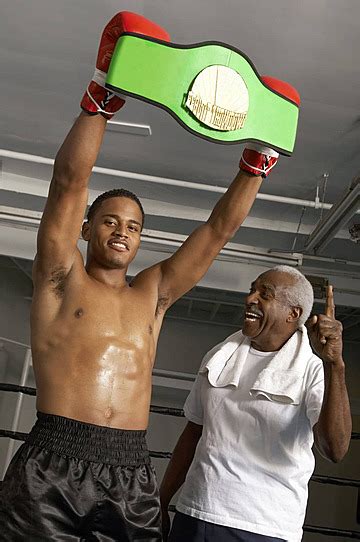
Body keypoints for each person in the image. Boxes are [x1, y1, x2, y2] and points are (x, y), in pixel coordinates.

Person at [0, 10, 283, 542]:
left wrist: (255, 164)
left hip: (129, 470)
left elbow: (216, 232)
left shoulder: (152, 294)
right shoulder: (60, 278)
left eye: (133, 226)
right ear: (87, 229)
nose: (122, 231)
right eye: (110, 220)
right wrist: (102, 99)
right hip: (52, 464)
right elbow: (68, 181)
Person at [160, 266, 352, 542]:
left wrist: (335, 365)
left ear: (293, 314)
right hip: (196, 512)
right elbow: (194, 432)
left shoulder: (313, 368)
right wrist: (163, 499)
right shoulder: (220, 355)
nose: (250, 298)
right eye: (252, 289)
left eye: (265, 294)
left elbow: (335, 449)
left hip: (263, 527)